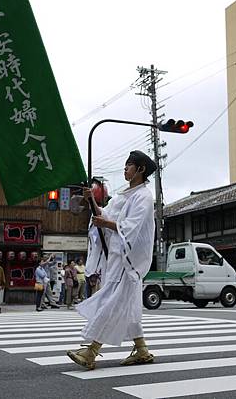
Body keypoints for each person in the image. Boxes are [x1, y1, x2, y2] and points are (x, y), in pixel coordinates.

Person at [67, 150, 156, 370]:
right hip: (117, 257)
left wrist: (105, 224)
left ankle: (92, 350)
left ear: (141, 170)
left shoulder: (143, 197)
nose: (125, 169)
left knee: (114, 301)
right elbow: (104, 216)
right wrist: (92, 201)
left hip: (130, 261)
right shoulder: (122, 195)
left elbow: (131, 228)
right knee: (128, 303)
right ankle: (141, 349)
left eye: (129, 166)